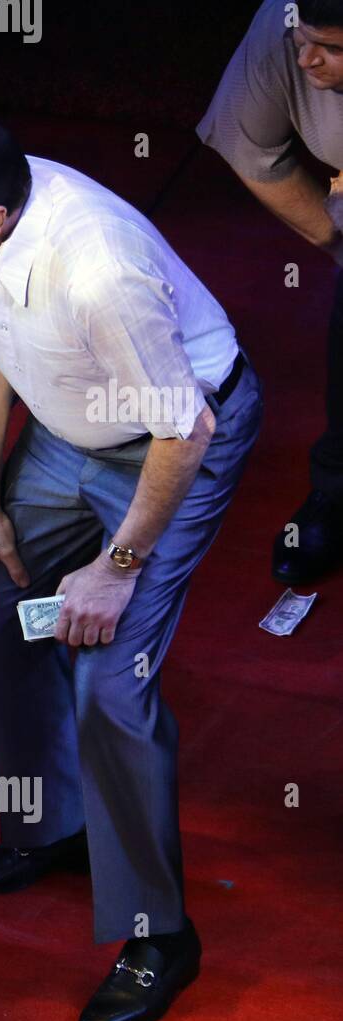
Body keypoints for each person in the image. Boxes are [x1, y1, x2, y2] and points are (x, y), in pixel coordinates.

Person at [0, 109, 263, 1021]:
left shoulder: (95, 269)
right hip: (67, 437)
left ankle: (158, 935)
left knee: (110, 681)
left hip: (171, 447)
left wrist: (116, 567)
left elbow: (188, 431)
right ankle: (51, 827)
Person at [198, 0, 343, 584]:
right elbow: (249, 148)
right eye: (304, 39)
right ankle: (336, 492)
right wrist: (337, 247)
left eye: (332, 49)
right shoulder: (283, 26)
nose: (307, 58)